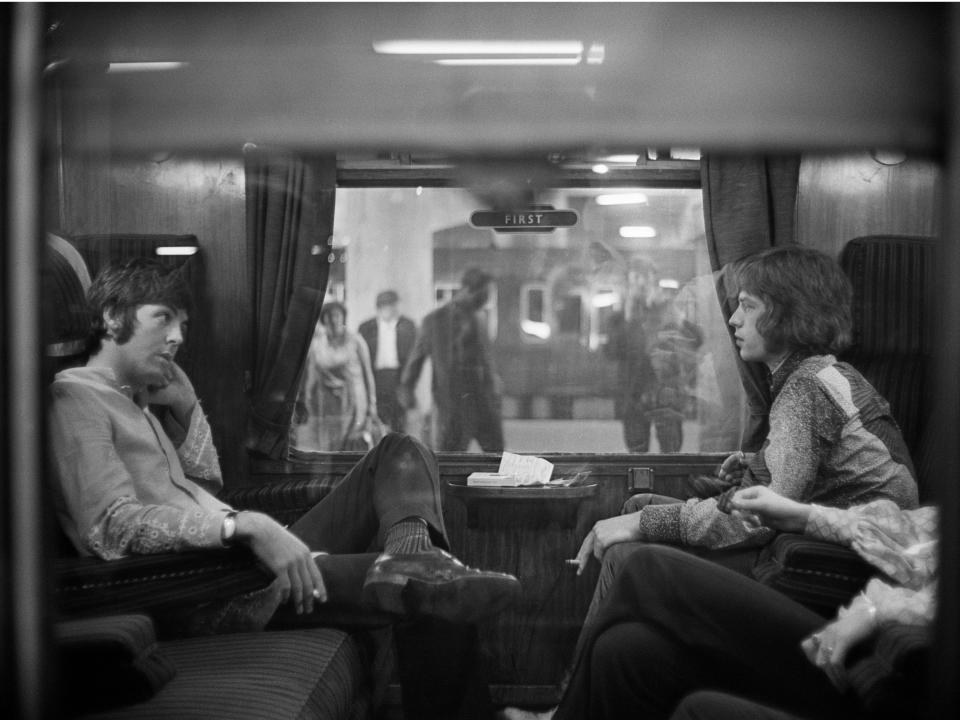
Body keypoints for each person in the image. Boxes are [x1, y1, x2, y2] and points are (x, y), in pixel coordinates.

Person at [48, 258, 521, 720]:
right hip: (214, 588)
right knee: (430, 594)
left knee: (399, 448)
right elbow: (110, 525)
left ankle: (412, 549)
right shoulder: (76, 399)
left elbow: (205, 487)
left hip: (238, 560)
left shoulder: (136, 398)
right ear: (112, 317)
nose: (178, 337)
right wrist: (242, 526)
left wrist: (187, 408)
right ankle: (417, 567)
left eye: (182, 323)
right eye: (164, 318)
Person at [573, 245, 918, 609]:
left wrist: (646, 523)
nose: (734, 320)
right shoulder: (820, 375)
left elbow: (757, 520)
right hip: (826, 546)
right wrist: (759, 460)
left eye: (749, 306)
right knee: (639, 505)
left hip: (836, 562)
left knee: (625, 548)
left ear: (789, 313)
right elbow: (824, 469)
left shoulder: (807, 387)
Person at [529, 484, 937, 720]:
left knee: (645, 566)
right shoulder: (789, 389)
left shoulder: (811, 387)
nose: (735, 328)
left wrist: (874, 610)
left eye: (743, 325)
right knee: (625, 649)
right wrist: (799, 513)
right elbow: (911, 533)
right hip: (861, 634)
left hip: (874, 665)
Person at [399, 267, 504, 452]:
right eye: (485, 294)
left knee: (497, 456)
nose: (487, 300)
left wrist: (494, 390)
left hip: (483, 403)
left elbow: (487, 361)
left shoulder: (479, 319)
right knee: (449, 459)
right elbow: (414, 364)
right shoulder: (433, 321)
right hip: (451, 405)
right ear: (469, 290)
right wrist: (409, 400)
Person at [299, 301, 380, 451]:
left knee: (353, 447)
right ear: (324, 320)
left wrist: (372, 407)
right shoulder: (317, 344)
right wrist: (307, 400)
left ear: (343, 318)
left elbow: (368, 375)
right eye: (329, 316)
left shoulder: (356, 341)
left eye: (337, 315)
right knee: (329, 447)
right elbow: (311, 375)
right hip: (328, 405)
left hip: (354, 403)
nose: (334, 320)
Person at [358, 289, 417, 433]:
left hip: (399, 378)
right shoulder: (366, 328)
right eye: (388, 306)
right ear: (379, 308)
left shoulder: (408, 326)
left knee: (399, 423)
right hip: (376, 378)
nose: (392, 310)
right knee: (377, 421)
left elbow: (414, 357)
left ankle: (397, 451)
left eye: (394, 306)